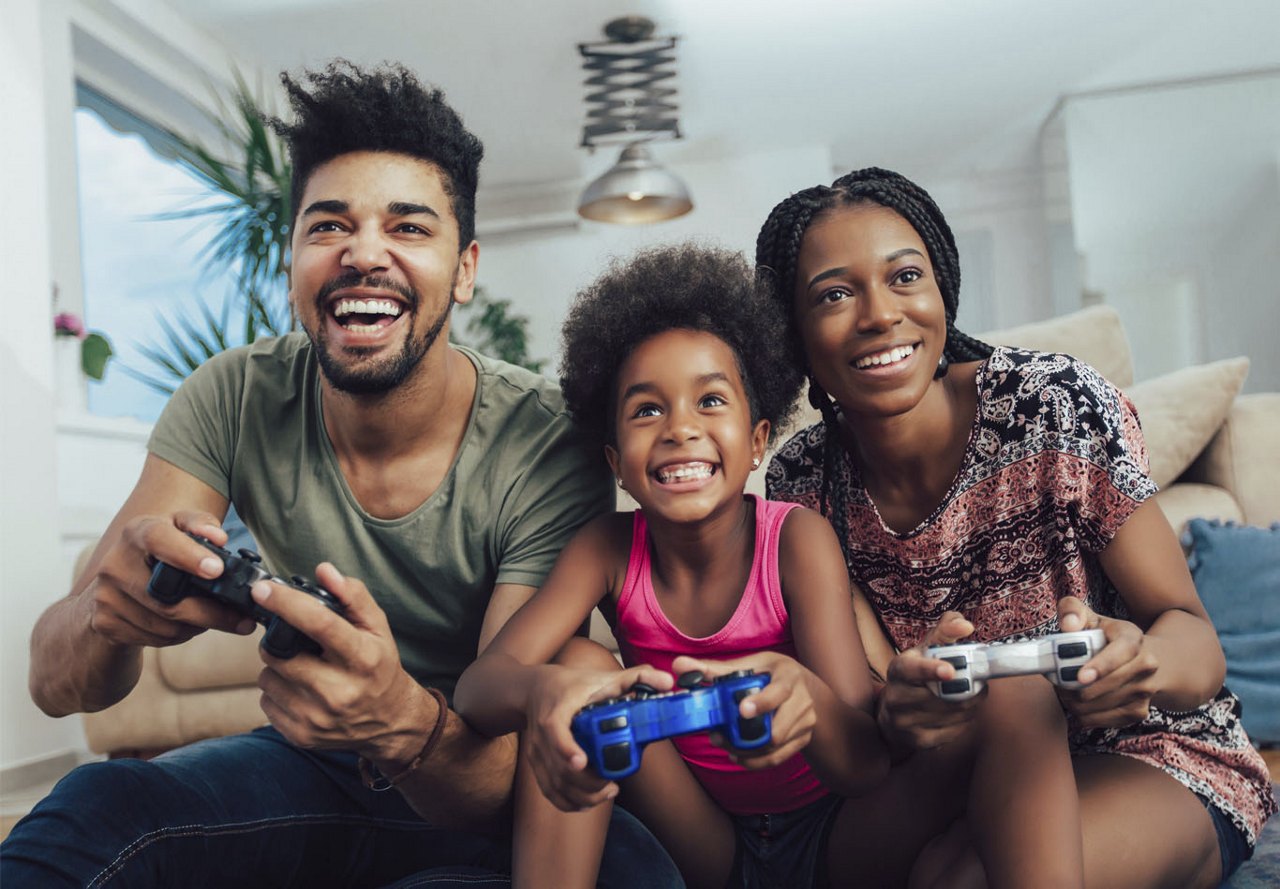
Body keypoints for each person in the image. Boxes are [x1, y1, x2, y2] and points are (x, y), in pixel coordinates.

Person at [0, 61, 681, 889]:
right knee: (98, 805)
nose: (364, 254)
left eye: (408, 227)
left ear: (464, 268)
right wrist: (108, 616)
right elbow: (51, 681)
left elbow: (498, 770)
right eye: (328, 227)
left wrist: (396, 717)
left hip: (493, 786)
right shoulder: (233, 394)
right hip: (311, 765)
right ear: (291, 263)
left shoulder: (545, 439)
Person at [755, 166, 1278, 887]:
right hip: (959, 768)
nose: (879, 313)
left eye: (905, 276)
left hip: (1148, 753)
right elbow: (866, 717)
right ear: (794, 332)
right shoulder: (803, 482)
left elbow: (1195, 639)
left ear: (942, 290)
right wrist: (898, 712)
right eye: (836, 294)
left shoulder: (1053, 405)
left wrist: (1141, 664)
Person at [454, 244, 891, 889]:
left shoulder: (797, 540)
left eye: (711, 401)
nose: (679, 429)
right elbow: (476, 690)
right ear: (615, 462)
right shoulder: (605, 548)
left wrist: (804, 694)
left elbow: (864, 763)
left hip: (834, 835)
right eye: (647, 410)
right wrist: (541, 692)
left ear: (759, 442)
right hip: (706, 841)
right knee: (578, 668)